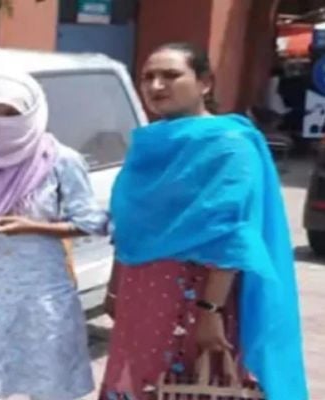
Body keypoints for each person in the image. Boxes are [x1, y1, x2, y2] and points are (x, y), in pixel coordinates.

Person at [100, 42, 308, 400]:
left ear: (205, 83)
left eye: (170, 75)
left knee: (189, 384)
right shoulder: (148, 144)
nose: (155, 86)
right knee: (136, 382)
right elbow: (130, 225)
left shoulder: (229, 144)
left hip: (194, 292)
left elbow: (232, 232)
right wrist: (115, 285)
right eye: (148, 77)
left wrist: (209, 311)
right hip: (140, 292)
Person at [0, 71, 108, 400]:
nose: (2, 122)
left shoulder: (61, 160)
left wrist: (31, 226)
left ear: (32, 113)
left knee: (46, 378)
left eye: (12, 113)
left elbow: (90, 222)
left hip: (41, 289)